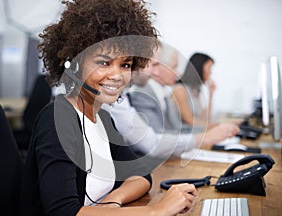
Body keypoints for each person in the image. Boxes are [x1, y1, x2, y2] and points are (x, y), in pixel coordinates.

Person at [19, 0, 197, 215]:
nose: (117, 75)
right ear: (75, 62)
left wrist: (112, 201)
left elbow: (142, 176)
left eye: (125, 64)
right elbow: (63, 211)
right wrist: (156, 211)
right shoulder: (58, 119)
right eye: (104, 62)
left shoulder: (102, 117)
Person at [103, 44, 239, 161]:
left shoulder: (152, 94)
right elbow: (153, 142)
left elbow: (172, 130)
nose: (178, 73)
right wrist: (207, 136)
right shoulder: (143, 95)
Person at [170, 53, 216, 128]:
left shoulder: (195, 91)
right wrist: (216, 126)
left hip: (192, 134)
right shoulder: (180, 89)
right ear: (200, 67)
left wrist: (211, 94)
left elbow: (204, 120)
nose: (211, 72)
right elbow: (190, 121)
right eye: (209, 68)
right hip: (182, 135)